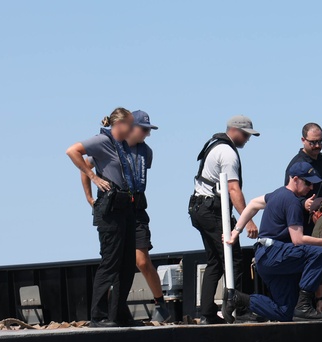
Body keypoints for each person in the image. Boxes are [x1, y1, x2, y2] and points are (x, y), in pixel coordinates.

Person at [81, 110, 170, 323]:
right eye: (144, 129)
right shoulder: (109, 145)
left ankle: (154, 303)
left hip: (136, 206)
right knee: (114, 261)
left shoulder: (146, 152)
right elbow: (84, 166)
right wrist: (89, 196)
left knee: (138, 260)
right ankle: (105, 313)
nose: (147, 134)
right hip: (115, 205)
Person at [222, 162, 322, 322]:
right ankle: (304, 306)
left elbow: (253, 204)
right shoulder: (292, 202)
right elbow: (298, 239)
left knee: (285, 312)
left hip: (265, 258)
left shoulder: (276, 194)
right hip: (274, 254)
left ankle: (239, 299)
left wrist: (235, 231)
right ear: (295, 179)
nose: (311, 188)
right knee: (320, 254)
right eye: (308, 183)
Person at [66, 107, 139, 327]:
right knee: (110, 263)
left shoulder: (123, 146)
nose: (133, 128)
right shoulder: (101, 140)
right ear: (119, 124)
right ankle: (98, 316)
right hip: (110, 211)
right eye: (131, 124)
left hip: (126, 208)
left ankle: (117, 314)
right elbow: (72, 151)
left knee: (127, 264)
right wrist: (92, 180)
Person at [188, 115, 260, 324]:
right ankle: (237, 310)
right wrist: (248, 220)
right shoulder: (228, 152)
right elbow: (233, 188)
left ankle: (208, 313)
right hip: (212, 210)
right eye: (246, 135)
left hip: (200, 208)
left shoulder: (215, 146)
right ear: (235, 131)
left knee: (215, 262)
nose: (247, 139)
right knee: (234, 259)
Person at [284, 123, 322, 204]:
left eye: (320, 141)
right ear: (303, 140)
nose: (317, 145)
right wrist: (304, 203)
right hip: (303, 214)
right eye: (313, 142)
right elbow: (288, 195)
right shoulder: (296, 165)